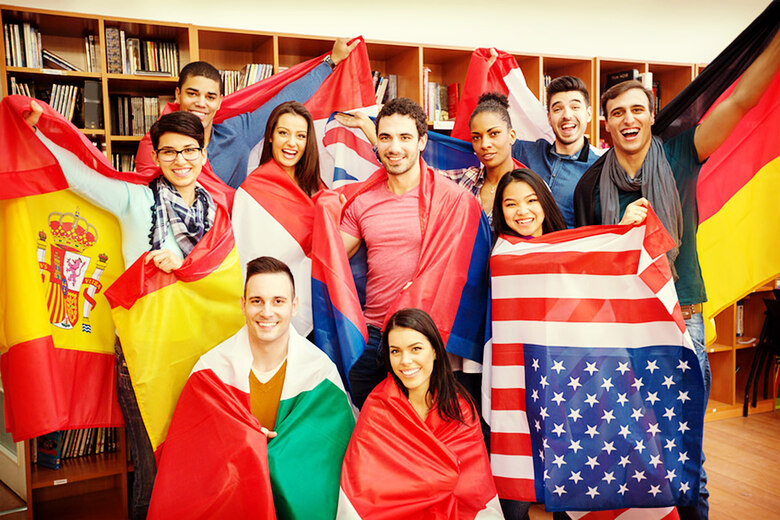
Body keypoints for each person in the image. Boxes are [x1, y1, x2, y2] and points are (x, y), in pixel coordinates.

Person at [573, 30, 780, 520]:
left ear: (652, 115)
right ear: (606, 124)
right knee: (633, 445)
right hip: (623, 330)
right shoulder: (590, 186)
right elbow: (587, 267)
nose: (628, 119)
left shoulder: (682, 153)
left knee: (687, 451)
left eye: (637, 110)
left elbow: (744, 99)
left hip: (681, 319)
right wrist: (619, 235)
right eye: (618, 112)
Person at [25, 101, 218, 520]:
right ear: (156, 157)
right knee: (151, 465)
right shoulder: (136, 199)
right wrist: (38, 130)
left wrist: (185, 267)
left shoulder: (216, 211)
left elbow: (222, 276)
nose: (180, 160)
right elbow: (79, 177)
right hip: (142, 351)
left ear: (204, 155)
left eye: (189, 150)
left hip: (200, 352)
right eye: (169, 151)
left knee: (194, 459)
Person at [148, 256, 354, 520]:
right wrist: (246, 442)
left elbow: (329, 460)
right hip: (233, 505)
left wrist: (276, 453)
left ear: (294, 306)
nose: (267, 312)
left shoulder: (321, 373)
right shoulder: (211, 370)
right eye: (257, 301)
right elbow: (191, 458)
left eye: (278, 301)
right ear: (243, 305)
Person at [337, 97, 490, 408]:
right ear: (377, 143)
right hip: (374, 337)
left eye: (405, 137)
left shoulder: (454, 201)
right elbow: (332, 261)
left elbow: (473, 277)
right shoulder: (361, 201)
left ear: (422, 141)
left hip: (427, 340)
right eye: (385, 137)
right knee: (368, 427)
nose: (394, 147)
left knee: (426, 430)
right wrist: (327, 211)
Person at [337, 308, 503, 519]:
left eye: (415, 349)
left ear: (434, 351)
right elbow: (362, 485)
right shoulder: (378, 408)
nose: (405, 360)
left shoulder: (459, 408)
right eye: (395, 351)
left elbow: (474, 487)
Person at [135, 38, 358, 189]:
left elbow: (284, 100)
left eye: (210, 97)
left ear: (219, 101)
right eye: (192, 94)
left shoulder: (237, 133)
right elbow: (146, 200)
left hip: (229, 239)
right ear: (178, 94)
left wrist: (331, 62)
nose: (200, 103)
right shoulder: (155, 144)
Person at [335, 92, 525, 226]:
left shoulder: (530, 187)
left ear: (512, 136)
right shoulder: (464, 180)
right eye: (476, 137)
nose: (485, 144)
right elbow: (410, 168)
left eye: (494, 134)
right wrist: (368, 127)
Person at [232, 101, 323, 336]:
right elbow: (244, 256)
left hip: (316, 306)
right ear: (271, 137)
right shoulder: (251, 192)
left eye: (300, 136)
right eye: (284, 133)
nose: (292, 143)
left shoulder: (318, 189)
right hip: (269, 311)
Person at [512, 76, 601, 229]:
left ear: (588, 114)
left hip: (571, 244)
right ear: (549, 117)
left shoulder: (599, 168)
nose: (567, 115)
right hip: (523, 242)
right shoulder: (525, 152)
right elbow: (492, 137)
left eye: (575, 107)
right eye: (558, 109)